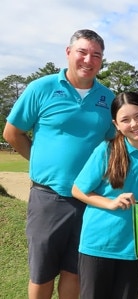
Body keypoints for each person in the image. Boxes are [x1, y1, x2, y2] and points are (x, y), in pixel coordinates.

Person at [2, 29, 114, 299]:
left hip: (88, 198)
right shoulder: (42, 88)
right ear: (68, 53)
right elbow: (12, 133)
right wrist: (38, 162)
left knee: (74, 271)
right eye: (82, 52)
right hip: (48, 197)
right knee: (42, 272)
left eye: (96, 55)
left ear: (101, 60)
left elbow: (115, 141)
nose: (88, 60)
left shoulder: (107, 99)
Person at [71, 92, 138, 299]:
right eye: (125, 120)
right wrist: (110, 203)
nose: (134, 124)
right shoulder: (106, 150)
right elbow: (78, 190)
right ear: (116, 124)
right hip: (99, 245)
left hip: (134, 247)